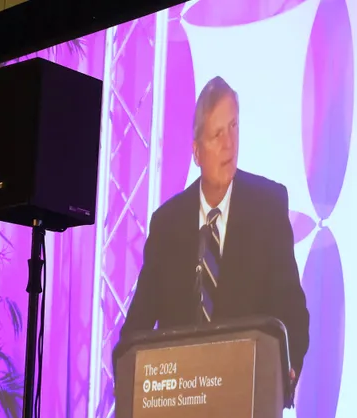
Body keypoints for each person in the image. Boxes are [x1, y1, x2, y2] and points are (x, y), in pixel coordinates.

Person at [119, 76, 310, 379]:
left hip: (246, 393)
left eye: (233, 126)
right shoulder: (167, 224)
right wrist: (129, 378)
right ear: (196, 152)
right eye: (217, 134)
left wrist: (288, 368)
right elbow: (137, 327)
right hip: (179, 398)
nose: (229, 144)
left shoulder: (268, 206)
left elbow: (292, 310)